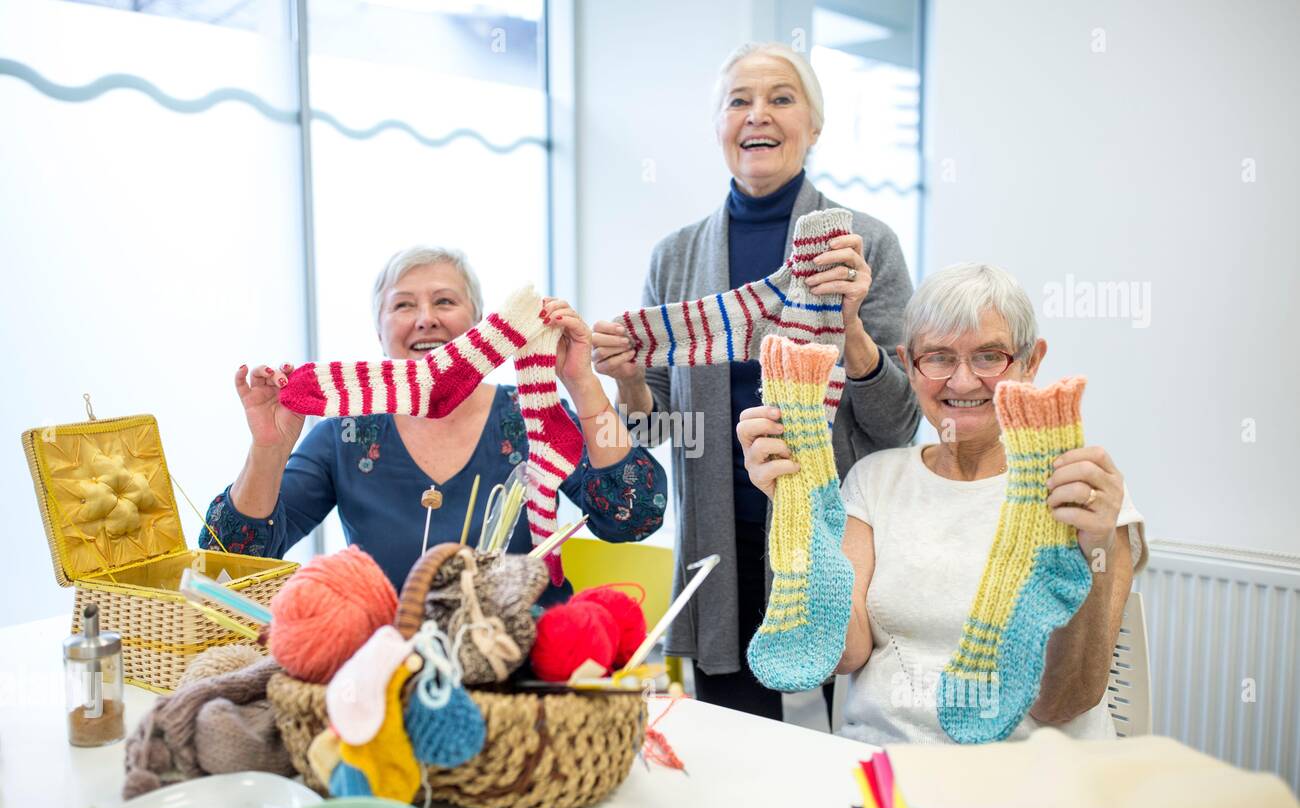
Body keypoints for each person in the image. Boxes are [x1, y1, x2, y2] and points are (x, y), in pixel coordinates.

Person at [591, 42, 920, 721]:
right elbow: (654, 429)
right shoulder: (677, 257)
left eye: (780, 97)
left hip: (833, 540)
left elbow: (898, 422)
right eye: (738, 100)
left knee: (840, 739)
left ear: (815, 126)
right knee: (736, 751)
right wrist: (627, 383)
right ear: (718, 126)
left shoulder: (866, 246)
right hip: (722, 544)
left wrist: (851, 328)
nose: (757, 115)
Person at [738, 263, 1148, 743]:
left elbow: (1066, 700)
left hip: (1027, 776)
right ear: (907, 365)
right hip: (884, 768)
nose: (963, 381)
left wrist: (1092, 548)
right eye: (937, 357)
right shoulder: (875, 480)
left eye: (989, 356)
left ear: (1031, 362)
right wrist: (795, 503)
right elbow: (841, 654)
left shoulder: (1081, 494)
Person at [200, 246, 666, 598]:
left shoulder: (532, 414)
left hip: (528, 674)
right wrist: (268, 448)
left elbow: (636, 515)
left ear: (482, 323)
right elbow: (233, 563)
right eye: (402, 306)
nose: (425, 319)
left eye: (445, 302)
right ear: (379, 330)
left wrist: (582, 381)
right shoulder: (345, 434)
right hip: (387, 675)